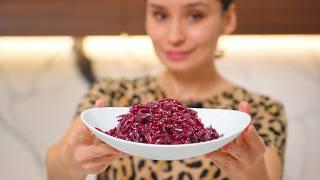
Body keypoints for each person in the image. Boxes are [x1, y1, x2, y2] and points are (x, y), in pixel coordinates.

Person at [46, 0, 287, 179]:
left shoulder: (261, 110)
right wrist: (72, 162)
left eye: (194, 16)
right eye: (160, 15)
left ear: (227, 19)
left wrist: (253, 171)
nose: (174, 36)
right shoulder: (111, 95)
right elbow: (55, 170)